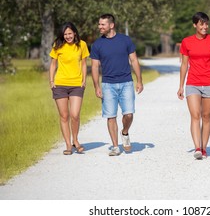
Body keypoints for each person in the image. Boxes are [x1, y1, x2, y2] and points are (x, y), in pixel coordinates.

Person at [90, 13, 143, 156]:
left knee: (129, 114)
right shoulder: (97, 45)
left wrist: (139, 80)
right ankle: (115, 146)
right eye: (99, 24)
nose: (100, 27)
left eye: (103, 24)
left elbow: (134, 60)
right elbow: (94, 67)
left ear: (111, 25)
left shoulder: (125, 40)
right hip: (108, 85)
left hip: (126, 82)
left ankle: (125, 132)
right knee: (111, 116)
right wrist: (97, 86)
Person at [177, 12, 210, 159]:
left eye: (206, 24)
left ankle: (204, 147)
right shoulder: (186, 42)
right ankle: (197, 148)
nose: (205, 27)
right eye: (202, 24)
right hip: (193, 83)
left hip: (209, 82)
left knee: (206, 116)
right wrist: (180, 86)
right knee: (195, 115)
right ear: (195, 25)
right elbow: (184, 65)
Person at [49, 22, 90, 155]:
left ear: (75, 33)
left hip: (76, 84)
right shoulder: (58, 45)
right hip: (60, 84)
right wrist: (51, 81)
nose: (67, 36)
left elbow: (84, 63)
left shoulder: (82, 45)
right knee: (64, 116)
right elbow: (53, 64)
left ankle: (76, 140)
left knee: (75, 114)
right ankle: (68, 144)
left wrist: (84, 80)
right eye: (65, 34)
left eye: (70, 34)